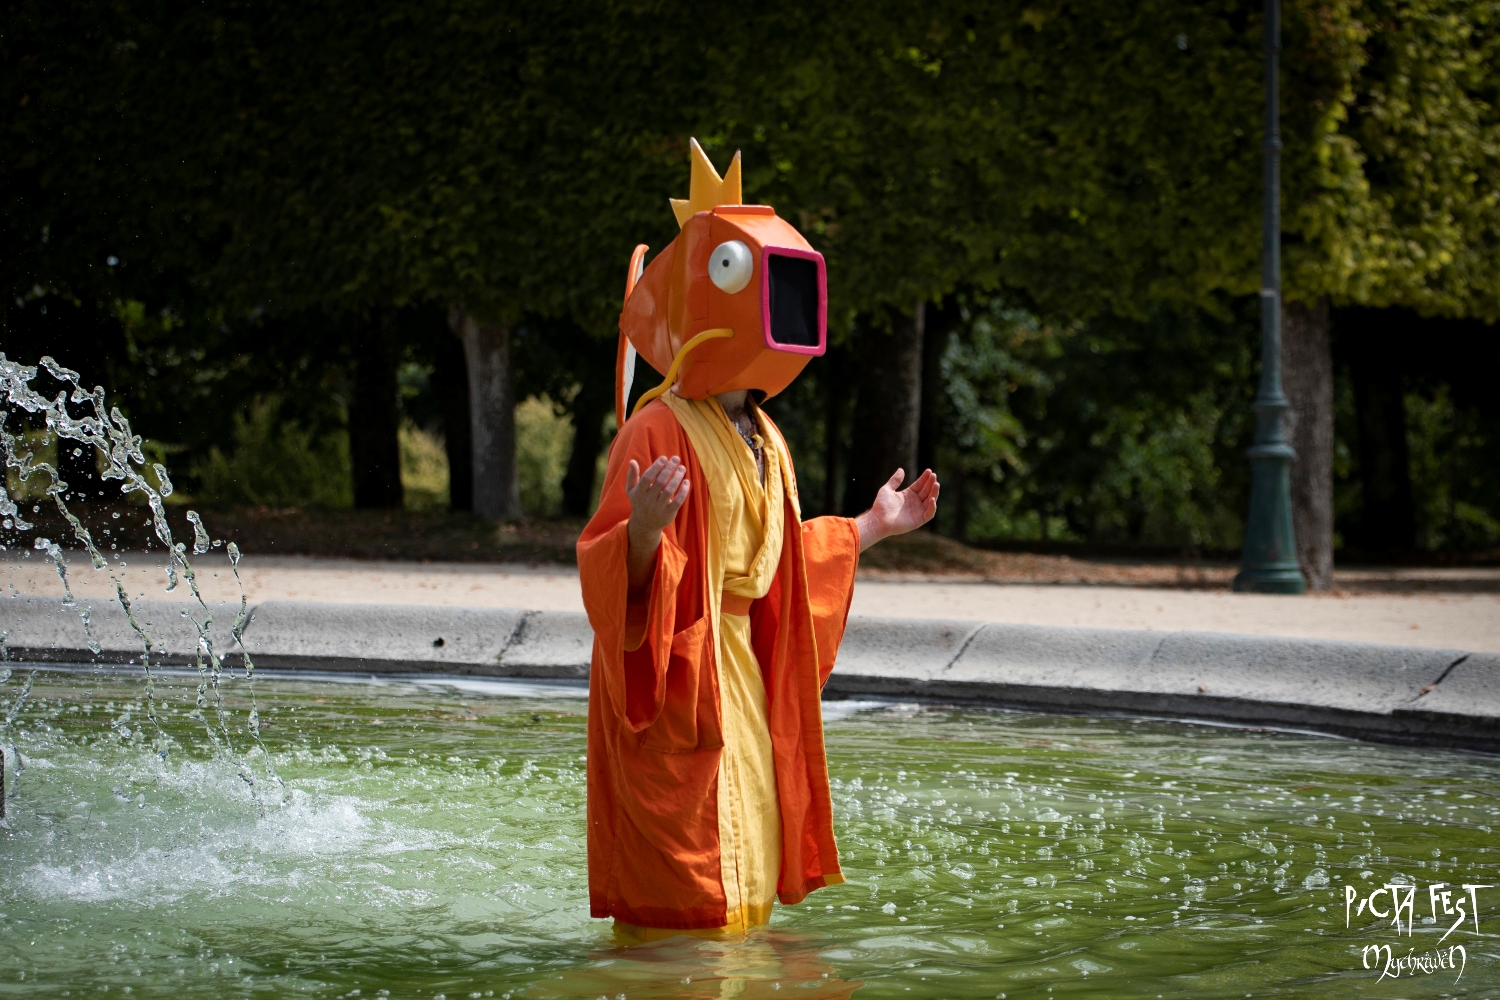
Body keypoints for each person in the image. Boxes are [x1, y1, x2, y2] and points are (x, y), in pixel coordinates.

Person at [577, 139, 939, 941]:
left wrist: (873, 525)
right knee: (684, 893)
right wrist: (643, 530)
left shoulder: (767, 436)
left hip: (743, 679)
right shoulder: (655, 428)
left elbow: (776, 568)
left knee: (746, 880)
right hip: (680, 683)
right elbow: (610, 572)